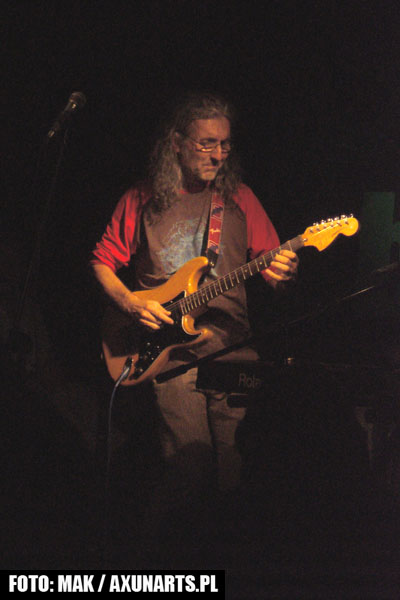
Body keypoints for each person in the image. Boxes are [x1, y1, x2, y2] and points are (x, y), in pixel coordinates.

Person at [90, 92, 299, 566]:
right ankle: (144, 560)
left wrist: (285, 273)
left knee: (236, 468)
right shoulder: (141, 199)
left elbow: (274, 273)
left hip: (234, 348)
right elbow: (101, 261)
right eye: (207, 143)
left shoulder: (240, 200)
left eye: (225, 144)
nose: (218, 154)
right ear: (177, 144)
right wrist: (129, 302)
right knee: (190, 465)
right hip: (170, 355)